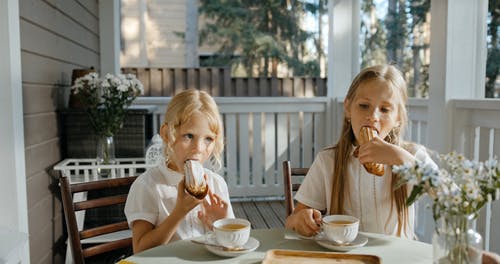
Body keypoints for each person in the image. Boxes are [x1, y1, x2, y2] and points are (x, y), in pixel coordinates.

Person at [285, 64, 437, 239]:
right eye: (364, 105)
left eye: (385, 109)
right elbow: (291, 221)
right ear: (348, 108)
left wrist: (402, 159)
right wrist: (301, 220)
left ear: (398, 118)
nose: (373, 116)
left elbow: (454, 197)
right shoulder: (328, 160)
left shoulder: (411, 155)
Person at [125, 89, 234, 253]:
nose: (198, 148)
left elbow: (231, 248)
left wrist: (222, 224)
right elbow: (140, 250)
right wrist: (179, 212)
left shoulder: (216, 184)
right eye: (189, 136)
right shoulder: (148, 186)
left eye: (208, 139)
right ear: (166, 134)